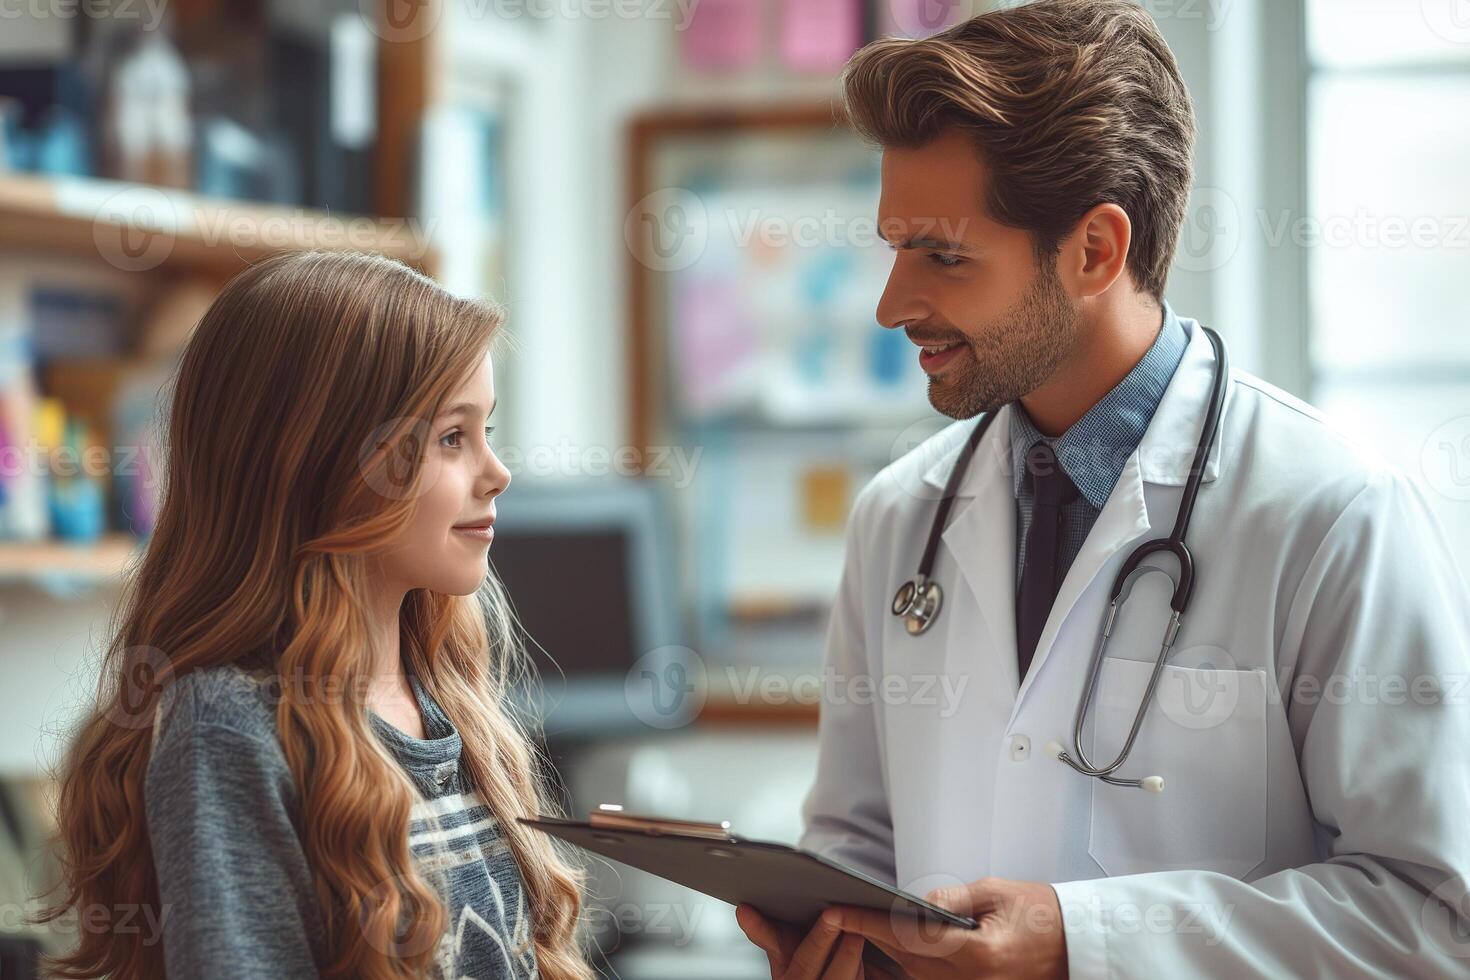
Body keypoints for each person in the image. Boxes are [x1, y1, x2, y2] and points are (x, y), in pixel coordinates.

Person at [735, 2, 1470, 977]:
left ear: (1094, 250)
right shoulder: (899, 518)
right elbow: (860, 848)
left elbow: (1430, 916)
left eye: (943, 255)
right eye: (894, 245)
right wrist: (831, 943)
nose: (891, 303)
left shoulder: (1332, 514)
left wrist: (1083, 940)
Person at [34, 250, 595, 980]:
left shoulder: (450, 698)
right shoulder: (228, 730)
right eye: (453, 438)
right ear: (327, 465)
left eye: (485, 430)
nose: (498, 472)